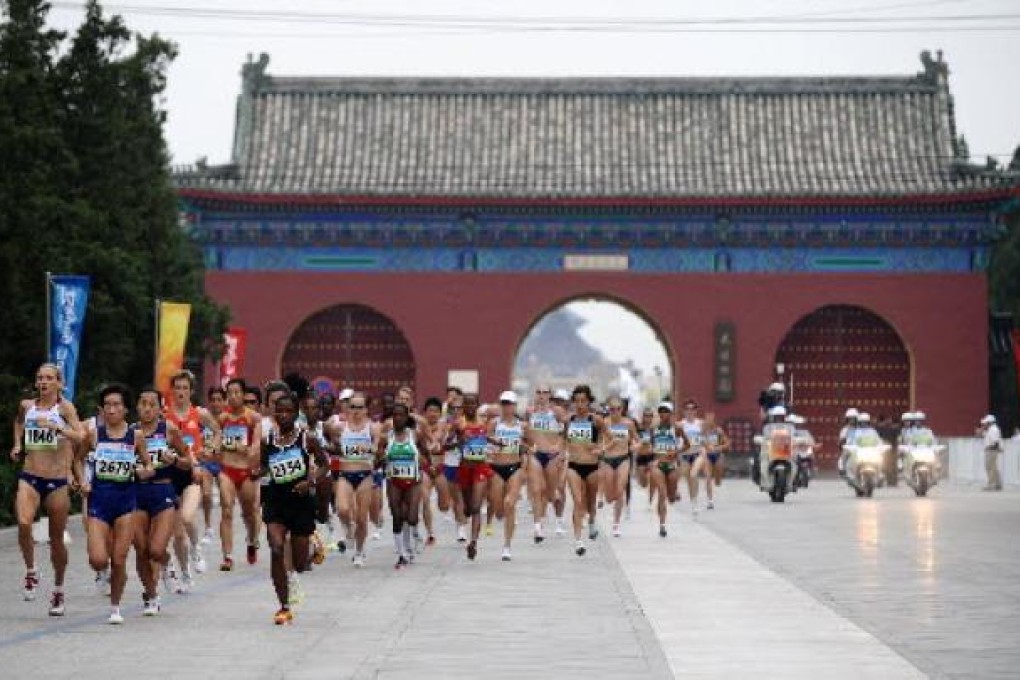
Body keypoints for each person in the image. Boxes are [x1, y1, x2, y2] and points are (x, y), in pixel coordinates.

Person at [9, 363, 85, 614]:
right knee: (23, 522)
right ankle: (31, 571)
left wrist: (59, 428)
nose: (43, 382)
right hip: (30, 475)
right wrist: (18, 444)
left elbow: (81, 435)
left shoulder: (65, 408)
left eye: (48, 378)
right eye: (40, 378)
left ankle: (59, 590)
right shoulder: (27, 406)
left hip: (56, 481)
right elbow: (18, 423)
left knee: (56, 541)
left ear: (59, 383)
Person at [85, 384, 154, 624]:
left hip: (126, 503)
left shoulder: (135, 436)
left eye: (116, 405)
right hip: (99, 503)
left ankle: (115, 607)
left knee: (119, 559)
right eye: (107, 405)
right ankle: (106, 575)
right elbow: (76, 459)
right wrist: (80, 480)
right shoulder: (94, 435)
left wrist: (143, 471)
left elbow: (148, 465)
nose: (111, 409)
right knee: (97, 559)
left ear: (125, 409)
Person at [257, 393, 324, 625]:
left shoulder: (307, 439)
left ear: (296, 414)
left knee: (300, 563)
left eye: (288, 411)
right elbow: (265, 466)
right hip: (276, 501)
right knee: (276, 549)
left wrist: (311, 481)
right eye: (279, 411)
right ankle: (284, 606)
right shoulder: (267, 441)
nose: (283, 415)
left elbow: (324, 465)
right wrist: (258, 471)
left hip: (301, 502)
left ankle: (313, 540)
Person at [132, 387, 189, 614]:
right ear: (136, 407)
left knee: (156, 550)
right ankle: (151, 595)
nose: (146, 408)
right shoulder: (130, 432)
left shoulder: (169, 430)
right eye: (143, 403)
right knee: (141, 549)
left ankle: (166, 562)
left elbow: (188, 461)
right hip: (136, 492)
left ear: (160, 408)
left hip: (162, 490)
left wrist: (174, 460)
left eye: (151, 404)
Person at [165, 370, 222, 589]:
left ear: (191, 391)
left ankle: (196, 549)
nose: (181, 392)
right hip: (169, 474)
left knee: (188, 518)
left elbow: (217, 431)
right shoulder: (164, 416)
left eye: (185, 388)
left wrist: (212, 447)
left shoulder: (199, 413)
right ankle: (185, 573)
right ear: (172, 391)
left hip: (193, 471)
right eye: (177, 388)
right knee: (177, 536)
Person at [325, 391, 381, 567]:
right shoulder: (340, 428)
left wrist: (371, 449)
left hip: (364, 474)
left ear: (366, 409)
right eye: (353, 407)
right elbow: (332, 442)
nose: (356, 410)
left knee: (362, 518)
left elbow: (377, 448)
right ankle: (348, 529)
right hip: (345, 473)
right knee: (342, 509)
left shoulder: (372, 427)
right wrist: (335, 448)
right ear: (348, 408)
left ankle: (359, 551)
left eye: (360, 407)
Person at [218, 378, 263, 570]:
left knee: (249, 512)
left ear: (244, 395)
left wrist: (247, 449)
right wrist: (214, 447)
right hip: (227, 470)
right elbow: (216, 441)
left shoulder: (254, 418)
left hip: (246, 471)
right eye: (230, 393)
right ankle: (227, 556)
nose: (233, 397)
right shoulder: (222, 419)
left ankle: (252, 540)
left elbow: (257, 445)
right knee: (226, 509)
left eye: (237, 392)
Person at [377, 403, 427, 568]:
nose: (397, 418)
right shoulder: (386, 437)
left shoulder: (415, 435)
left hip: (413, 480)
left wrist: (429, 465)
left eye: (401, 415)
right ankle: (401, 553)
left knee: (411, 517)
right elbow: (377, 460)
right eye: (395, 415)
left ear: (407, 417)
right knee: (397, 517)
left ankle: (413, 537)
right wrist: (381, 459)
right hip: (394, 481)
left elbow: (426, 453)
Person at [523, 385, 568, 543]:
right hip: (536, 454)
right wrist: (528, 446)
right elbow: (525, 431)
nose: (541, 395)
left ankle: (552, 500)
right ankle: (537, 527)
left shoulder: (556, 412)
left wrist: (560, 446)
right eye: (539, 392)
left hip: (552, 456)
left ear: (550, 395)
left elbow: (568, 429)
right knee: (536, 490)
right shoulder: (529, 411)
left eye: (545, 392)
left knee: (549, 495)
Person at [564, 385, 605, 556]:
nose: (580, 405)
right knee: (577, 501)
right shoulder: (569, 420)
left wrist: (600, 448)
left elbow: (606, 437)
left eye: (583, 401)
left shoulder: (596, 420)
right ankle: (578, 541)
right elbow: (564, 440)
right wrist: (562, 452)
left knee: (590, 502)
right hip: (574, 465)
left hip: (592, 466)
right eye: (577, 401)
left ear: (589, 402)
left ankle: (592, 520)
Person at [453, 394, 494, 560]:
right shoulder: (459, 423)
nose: (470, 407)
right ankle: (467, 510)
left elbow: (486, 438)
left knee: (476, 507)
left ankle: (473, 543)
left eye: (473, 404)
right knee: (468, 508)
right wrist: (461, 439)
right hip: (464, 468)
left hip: (480, 467)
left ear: (477, 405)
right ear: (463, 406)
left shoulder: (483, 423)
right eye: (467, 404)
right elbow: (447, 444)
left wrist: (496, 443)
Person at [487, 391, 528, 560]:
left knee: (509, 503)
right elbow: (486, 441)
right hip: (496, 467)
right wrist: (491, 448)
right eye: (503, 403)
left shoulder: (522, 426)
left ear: (514, 406)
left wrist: (526, 465)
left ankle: (507, 546)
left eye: (509, 404)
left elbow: (529, 445)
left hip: (515, 467)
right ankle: (501, 517)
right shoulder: (494, 424)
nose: (506, 407)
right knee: (498, 511)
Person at [650, 402, 690, 537]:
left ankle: (674, 494)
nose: (663, 414)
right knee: (661, 493)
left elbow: (687, 444)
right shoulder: (653, 428)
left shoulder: (677, 428)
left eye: (666, 411)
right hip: (658, 464)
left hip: (672, 465)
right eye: (660, 411)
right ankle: (662, 525)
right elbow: (649, 445)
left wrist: (676, 452)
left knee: (671, 498)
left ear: (671, 413)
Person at [601, 396, 637, 537]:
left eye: (618, 409)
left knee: (620, 489)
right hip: (608, 459)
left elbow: (637, 440)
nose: (615, 412)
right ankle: (609, 497)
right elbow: (598, 442)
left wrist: (635, 446)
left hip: (623, 458)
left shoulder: (628, 423)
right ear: (608, 410)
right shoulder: (604, 423)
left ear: (622, 409)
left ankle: (616, 524)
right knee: (610, 497)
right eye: (612, 409)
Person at [197, 386, 227, 544]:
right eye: (213, 400)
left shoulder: (229, 420)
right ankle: (208, 527)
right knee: (207, 495)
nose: (216, 403)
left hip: (224, 464)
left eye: (219, 400)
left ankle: (225, 525)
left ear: (224, 401)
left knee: (225, 498)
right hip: (207, 463)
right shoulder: (203, 419)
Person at [678, 399, 706, 517]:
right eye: (687, 409)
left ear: (696, 411)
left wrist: (704, 449)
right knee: (689, 481)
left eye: (692, 409)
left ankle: (695, 502)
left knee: (694, 475)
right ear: (684, 411)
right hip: (685, 455)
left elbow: (706, 438)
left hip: (697, 454)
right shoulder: (680, 424)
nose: (690, 411)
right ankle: (693, 502)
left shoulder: (700, 423)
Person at [700, 412, 730, 509]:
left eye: (711, 419)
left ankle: (718, 479)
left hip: (717, 454)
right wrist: (704, 446)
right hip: (707, 455)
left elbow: (727, 443)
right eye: (707, 419)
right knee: (708, 477)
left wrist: (719, 447)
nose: (709, 421)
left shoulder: (718, 431)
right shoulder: (702, 432)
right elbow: (697, 443)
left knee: (718, 481)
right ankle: (710, 501)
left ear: (713, 420)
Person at [979, 414, 1003, 491]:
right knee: (993, 467)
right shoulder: (990, 429)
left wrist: (996, 448)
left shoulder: (993, 430)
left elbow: (995, 442)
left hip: (991, 450)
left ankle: (991, 484)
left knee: (989, 467)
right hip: (991, 450)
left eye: (986, 422)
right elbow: (983, 436)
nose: (984, 424)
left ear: (990, 422)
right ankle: (998, 484)